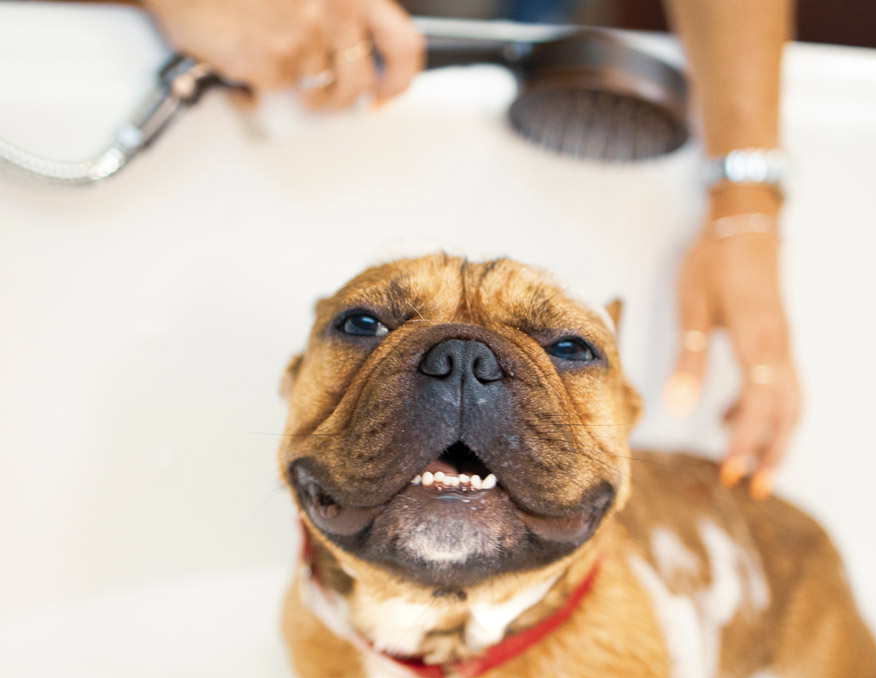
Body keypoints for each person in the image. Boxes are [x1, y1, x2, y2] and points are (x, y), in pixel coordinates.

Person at [141, 0, 801, 500]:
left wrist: (745, 202)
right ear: (291, 374)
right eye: (364, 326)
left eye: (567, 348)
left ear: (633, 409)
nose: (463, 372)